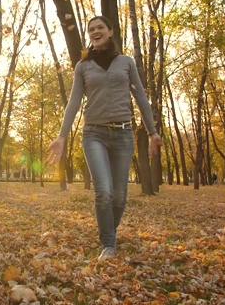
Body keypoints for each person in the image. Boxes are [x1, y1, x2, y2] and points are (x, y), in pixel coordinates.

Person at [48, 15, 162, 260]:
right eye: (91, 30)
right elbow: (74, 102)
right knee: (104, 191)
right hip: (94, 134)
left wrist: (152, 132)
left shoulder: (126, 62)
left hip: (122, 134)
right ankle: (108, 244)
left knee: (120, 195)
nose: (95, 32)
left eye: (100, 27)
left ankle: (109, 231)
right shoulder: (83, 66)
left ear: (111, 31)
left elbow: (141, 97)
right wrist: (62, 136)